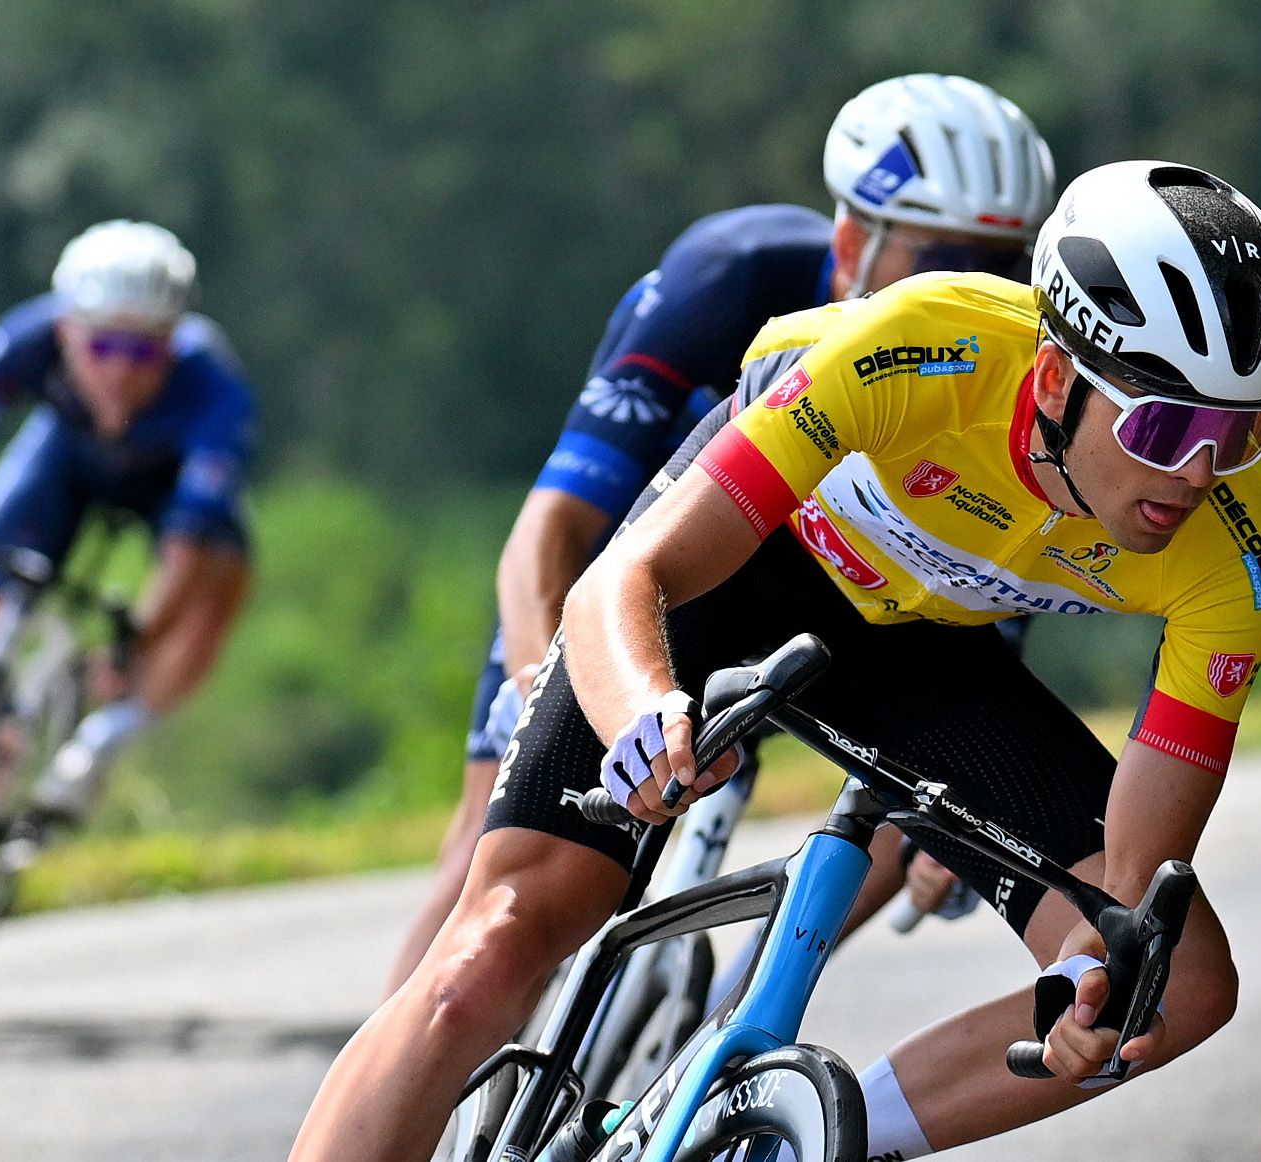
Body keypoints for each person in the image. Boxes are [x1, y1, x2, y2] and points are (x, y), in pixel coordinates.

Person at [293, 159, 1261, 1161]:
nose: (1200, 472)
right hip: (744, 568)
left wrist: (1085, 982)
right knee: (500, 941)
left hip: (923, 646)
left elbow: (1130, 890)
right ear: (1052, 379)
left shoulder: (1240, 554)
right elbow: (624, 579)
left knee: (1173, 984)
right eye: (1166, 424)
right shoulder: (919, 346)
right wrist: (645, 714)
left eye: (1244, 429)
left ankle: (832, 1139)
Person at [383, 73, 1056, 991]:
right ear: (854, 238)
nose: (979, 293)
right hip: (638, 577)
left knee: (896, 834)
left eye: (1008, 268)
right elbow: (556, 523)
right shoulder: (733, 273)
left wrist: (949, 837)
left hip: (821, 618)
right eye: (945, 259)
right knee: (484, 867)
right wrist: (538, 666)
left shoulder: (1014, 379)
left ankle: (721, 1033)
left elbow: (990, 624)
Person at [0, 220, 254, 840]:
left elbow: (187, 550)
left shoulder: (215, 389)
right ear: (68, 332)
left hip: (167, 483)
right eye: (103, 349)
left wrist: (141, 642)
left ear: (173, 342)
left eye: (144, 351)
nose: (121, 373)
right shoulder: (25, 339)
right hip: (65, 462)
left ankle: (107, 734)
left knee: (222, 588)